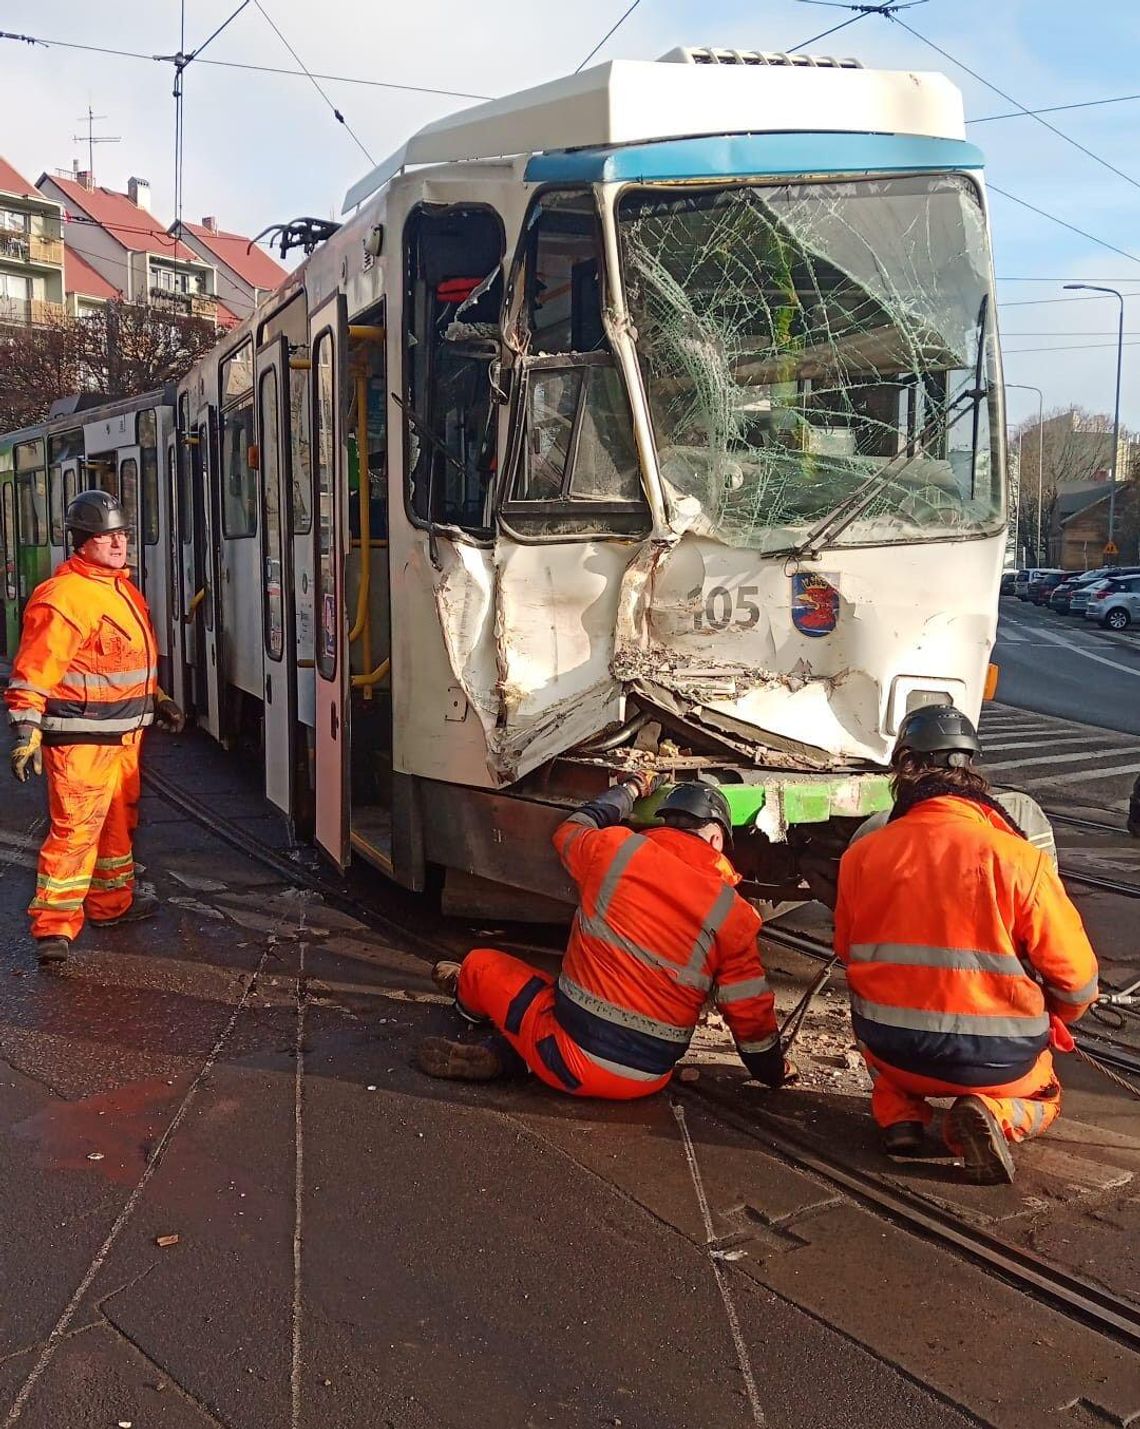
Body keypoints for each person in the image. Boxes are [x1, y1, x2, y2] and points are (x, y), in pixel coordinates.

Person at [834, 704, 1099, 1184]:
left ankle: (900, 1118)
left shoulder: (862, 855)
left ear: (905, 770)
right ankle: (992, 1115)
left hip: (894, 1051)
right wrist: (1057, 1013)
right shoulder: (1020, 858)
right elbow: (1077, 981)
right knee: (1045, 1094)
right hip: (998, 1063)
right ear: (971, 768)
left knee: (884, 1051)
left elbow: (847, 951)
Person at [417, 775, 786, 1099]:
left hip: (568, 1057)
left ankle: (477, 1018)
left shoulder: (617, 851)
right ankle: (510, 1056)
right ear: (716, 838)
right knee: (557, 1008)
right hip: (649, 1078)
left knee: (482, 966)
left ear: (666, 822)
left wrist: (630, 788)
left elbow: (571, 828)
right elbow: (750, 1014)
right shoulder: (734, 914)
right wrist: (772, 1073)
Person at [6, 491, 185, 966]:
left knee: (117, 823)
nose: (119, 543)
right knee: (76, 829)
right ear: (82, 542)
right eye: (108, 537)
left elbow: (128, 660)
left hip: (123, 735)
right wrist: (26, 729)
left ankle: (111, 904)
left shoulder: (122, 589)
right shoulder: (63, 597)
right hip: (82, 735)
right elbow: (34, 669)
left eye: (122, 535)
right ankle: (53, 930)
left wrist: (159, 699)